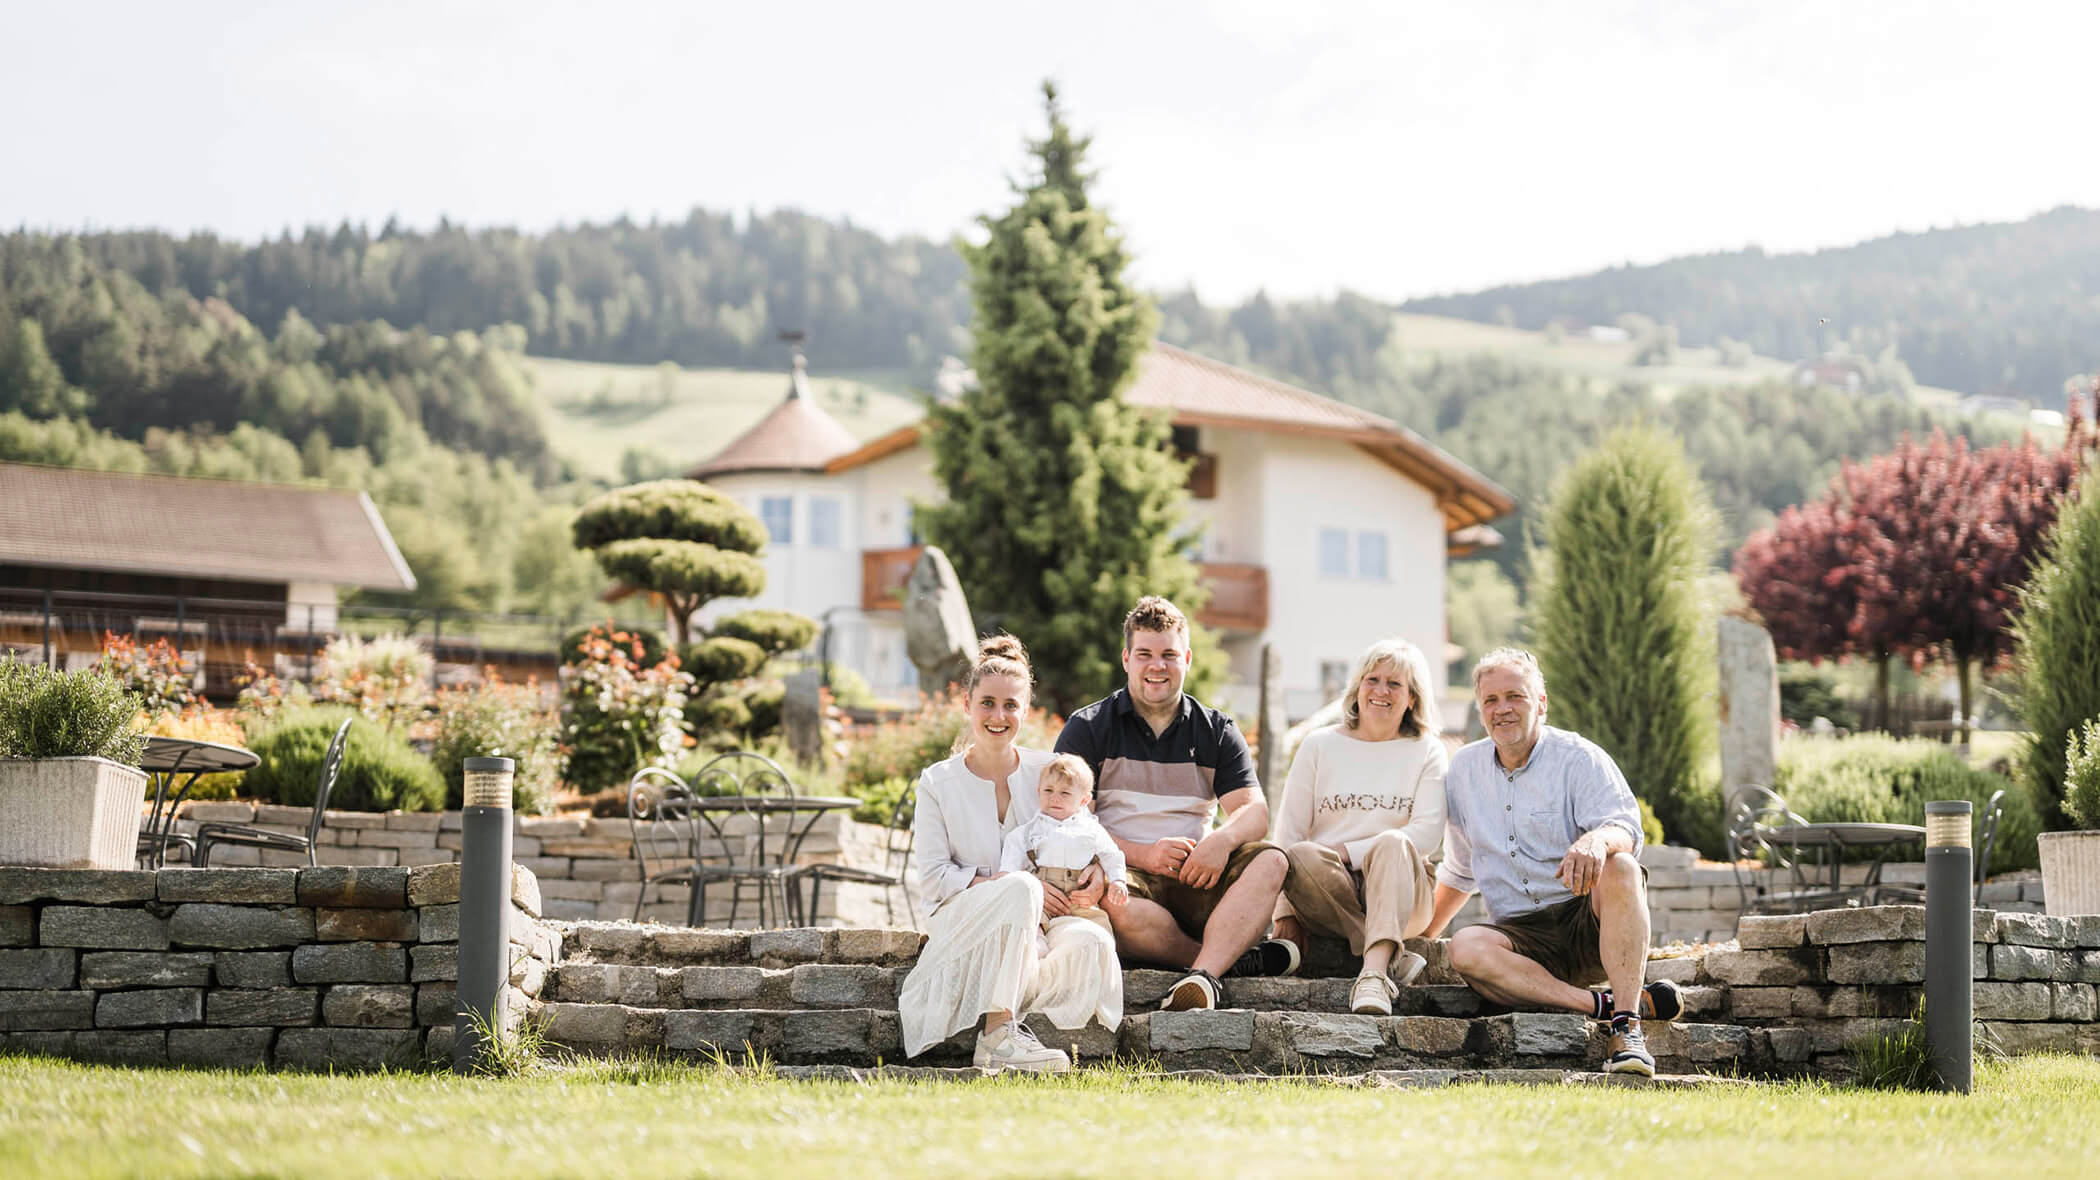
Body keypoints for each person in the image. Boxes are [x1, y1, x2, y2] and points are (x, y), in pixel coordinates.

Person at [1425, 647, 1683, 1077]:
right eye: (1491, 700)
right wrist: (1418, 936)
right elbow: (1460, 868)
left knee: (1621, 865)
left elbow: (1626, 828)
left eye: (1515, 696)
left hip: (1587, 924)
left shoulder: (1579, 757)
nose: (1502, 709)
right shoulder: (1463, 770)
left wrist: (1597, 841)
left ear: (1541, 704)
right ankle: (1607, 1006)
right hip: (1521, 941)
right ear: (1480, 709)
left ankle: (1627, 1030)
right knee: (1464, 946)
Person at [1055, 595, 1295, 1012]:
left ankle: (1205, 970)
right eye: (1145, 654)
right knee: (1112, 901)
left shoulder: (1216, 730)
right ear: (1126, 659)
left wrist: (1220, 841)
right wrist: (1143, 855)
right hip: (1127, 875)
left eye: (1168, 655)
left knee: (1272, 861)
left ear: (1186, 658)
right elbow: (1068, 820)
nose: (1157, 666)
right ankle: (1213, 965)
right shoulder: (1088, 727)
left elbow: (1255, 812)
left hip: (1199, 875)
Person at [896, 635, 1123, 1073]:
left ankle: (1019, 1007)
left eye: (1010, 705)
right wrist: (1013, 888)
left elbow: (1083, 829)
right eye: (987, 703)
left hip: (1044, 919)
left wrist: (1098, 872)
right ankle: (997, 1036)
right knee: (1020, 887)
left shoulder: (1047, 770)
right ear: (967, 704)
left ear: (1026, 709)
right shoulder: (937, 782)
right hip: (962, 915)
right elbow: (934, 878)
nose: (998, 716)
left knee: (1091, 940)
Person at [1271, 638, 1448, 1017]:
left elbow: (1428, 834)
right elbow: (1287, 835)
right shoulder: (1319, 745)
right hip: (1329, 889)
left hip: (1404, 886)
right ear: (1357, 687)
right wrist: (1283, 912)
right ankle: (1389, 956)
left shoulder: (1428, 750)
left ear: (1412, 698)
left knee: (1393, 842)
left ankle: (1372, 975)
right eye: (1373, 680)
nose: (1381, 691)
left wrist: (1349, 852)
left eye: (1395, 684)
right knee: (1299, 855)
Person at [1000, 753, 1130, 936]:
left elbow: (1111, 855)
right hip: (1040, 897)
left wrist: (1118, 880)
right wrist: (1007, 876)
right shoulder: (1027, 832)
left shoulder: (1091, 829)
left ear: (1084, 800)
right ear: (1039, 791)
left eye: (1065, 793)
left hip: (1080, 900)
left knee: (1099, 931)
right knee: (1027, 924)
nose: (1055, 798)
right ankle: (1037, 944)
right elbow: (1011, 865)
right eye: (1048, 790)